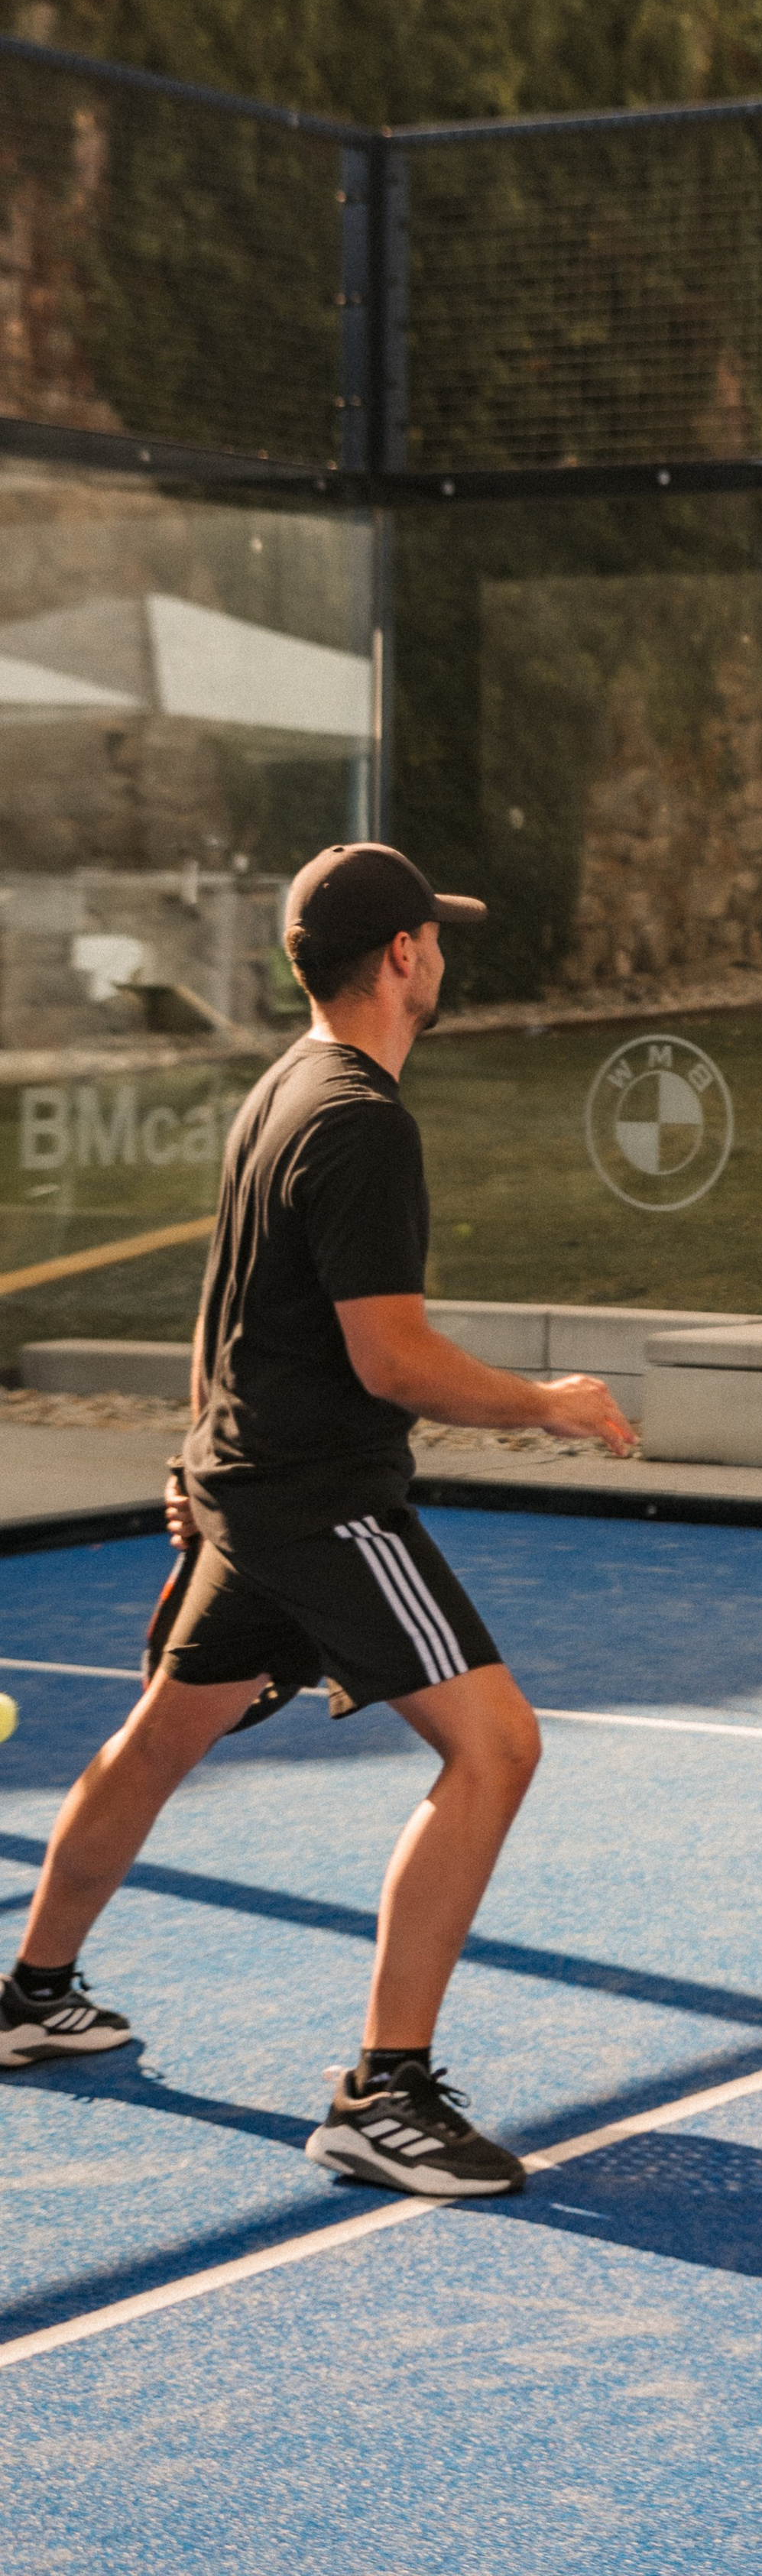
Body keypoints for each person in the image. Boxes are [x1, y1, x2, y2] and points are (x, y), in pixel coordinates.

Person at [0, 842, 636, 2197]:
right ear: (403, 956)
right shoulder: (361, 1122)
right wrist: (551, 1405)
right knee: (498, 1748)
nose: (442, 955)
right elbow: (390, 1360)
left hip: (248, 1484)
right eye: (435, 937)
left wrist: (195, 1463)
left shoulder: (284, 1086)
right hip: (321, 1500)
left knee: (159, 1740)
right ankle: (383, 2098)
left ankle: (30, 1995)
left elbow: (225, 1299)